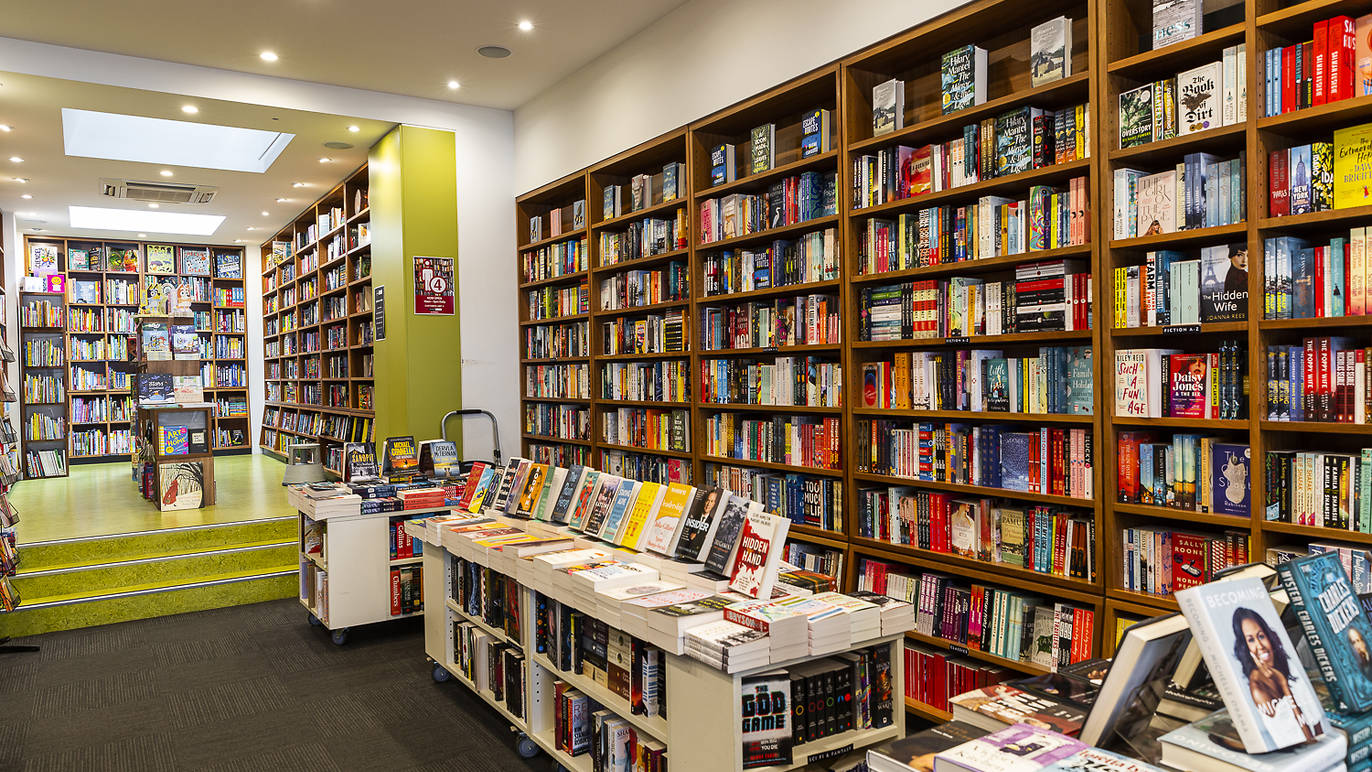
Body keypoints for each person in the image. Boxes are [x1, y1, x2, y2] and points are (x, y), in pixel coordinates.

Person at [1231, 607, 1322, 744]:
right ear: (1245, 647)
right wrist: (1284, 686)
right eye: (1251, 640)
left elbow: (1319, 728)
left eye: (1261, 636)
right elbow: (1308, 741)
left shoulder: (1285, 662)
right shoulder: (1258, 688)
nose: (1260, 645)